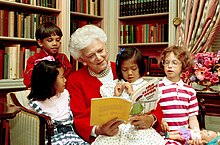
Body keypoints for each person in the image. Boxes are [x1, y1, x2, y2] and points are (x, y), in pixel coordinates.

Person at [67, 24, 163, 143]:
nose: (99, 57)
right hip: (107, 137)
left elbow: (149, 97)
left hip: (135, 133)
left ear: (106, 47)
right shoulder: (75, 80)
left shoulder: (125, 69)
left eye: (100, 50)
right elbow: (78, 116)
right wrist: (98, 130)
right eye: (91, 55)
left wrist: (151, 119)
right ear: (82, 60)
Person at [92, 47, 166, 145]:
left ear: (140, 67)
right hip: (116, 130)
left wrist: (132, 94)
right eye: (125, 70)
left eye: (134, 69)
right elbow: (107, 113)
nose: (130, 73)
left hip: (138, 129)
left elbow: (151, 109)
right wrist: (115, 96)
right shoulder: (111, 87)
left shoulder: (147, 87)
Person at [27, 56, 89, 145]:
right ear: (49, 81)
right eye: (62, 77)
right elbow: (33, 134)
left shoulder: (66, 94)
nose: (65, 80)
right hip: (53, 141)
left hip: (74, 138)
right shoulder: (35, 105)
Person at [158, 46, 200, 143]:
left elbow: (192, 118)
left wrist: (196, 134)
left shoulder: (189, 91)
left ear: (183, 65)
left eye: (174, 62)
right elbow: (153, 113)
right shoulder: (157, 88)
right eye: (166, 62)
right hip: (164, 137)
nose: (169, 66)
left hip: (183, 137)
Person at [23, 22, 72, 89]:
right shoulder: (34, 60)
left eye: (57, 40)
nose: (55, 43)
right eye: (50, 40)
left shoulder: (63, 58)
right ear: (40, 42)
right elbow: (30, 82)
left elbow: (69, 78)